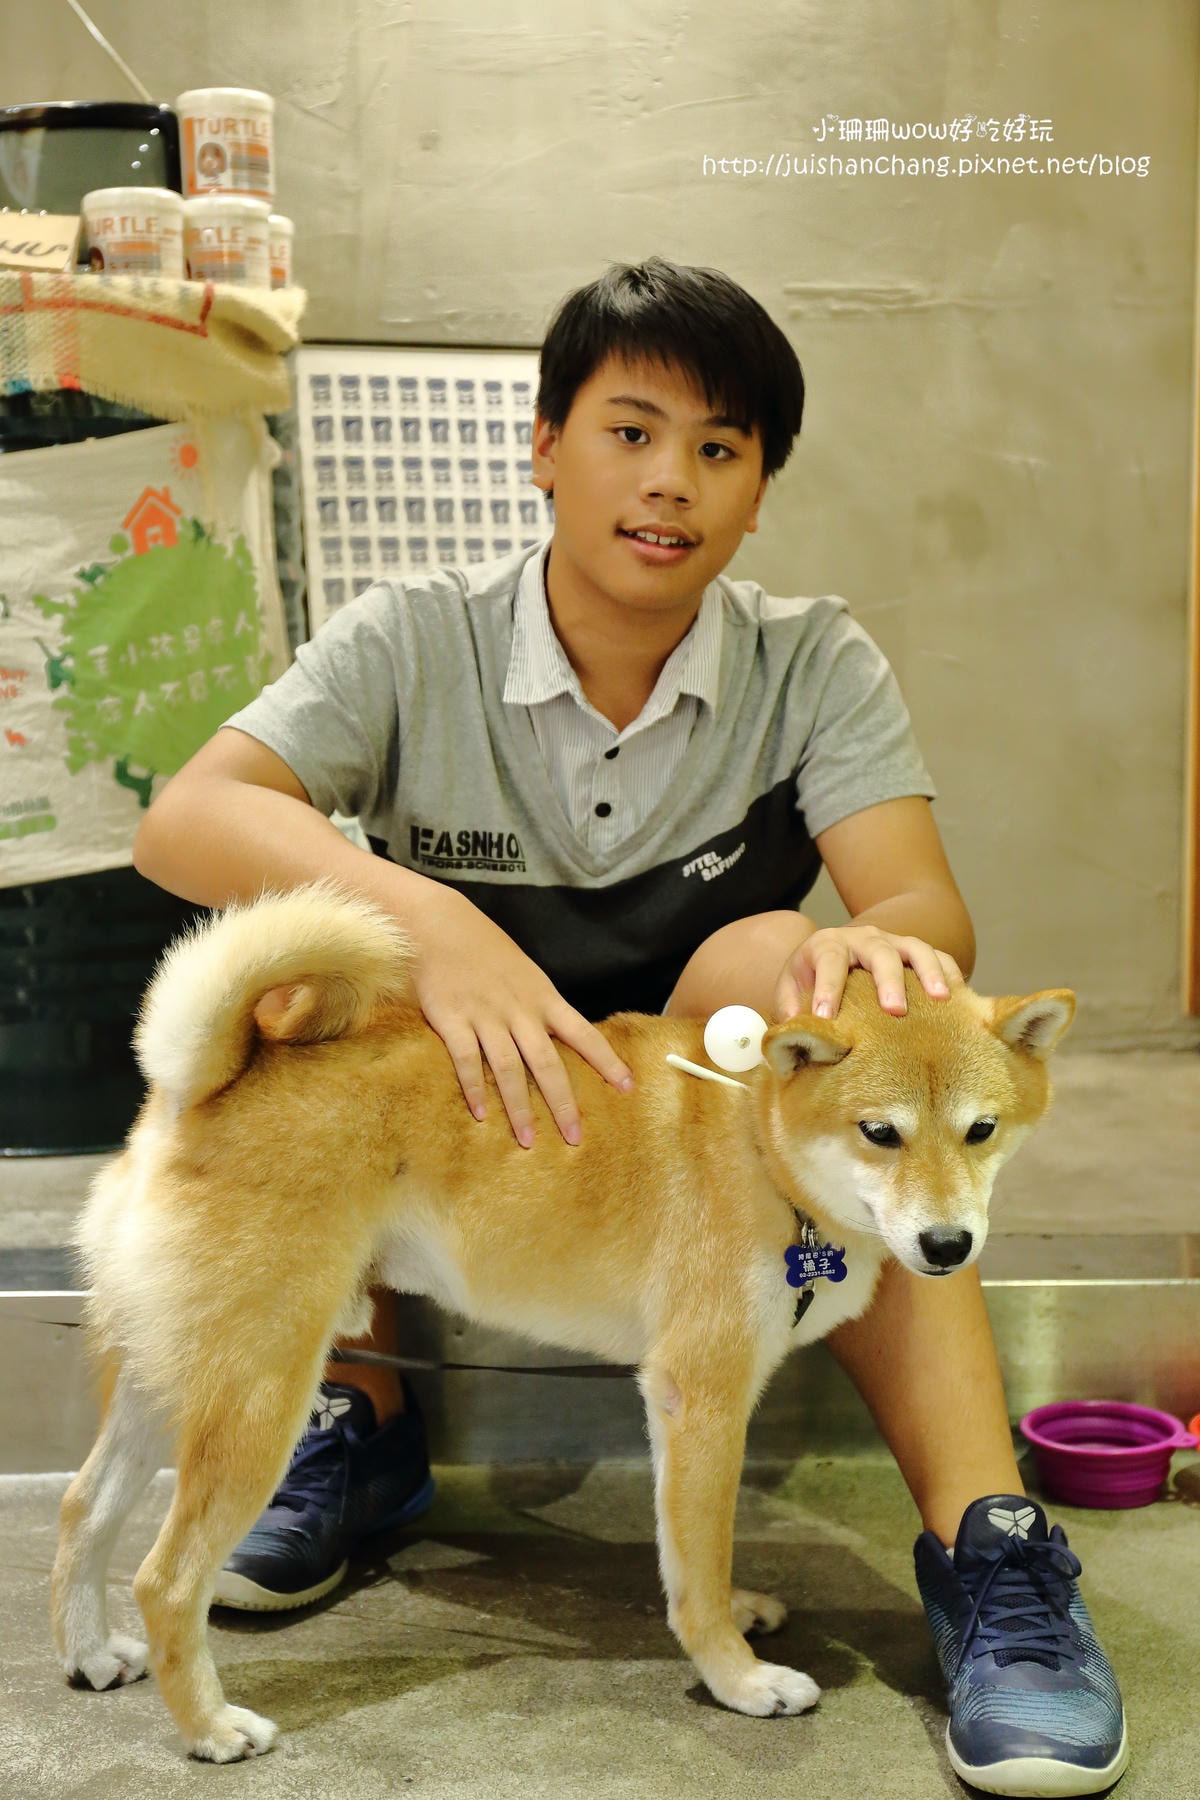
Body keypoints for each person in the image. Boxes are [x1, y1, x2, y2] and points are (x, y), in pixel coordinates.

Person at [132, 258, 1127, 1797]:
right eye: (632, 431)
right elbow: (186, 821)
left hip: (697, 1098)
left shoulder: (813, 657)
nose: (671, 481)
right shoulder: (417, 636)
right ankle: (351, 1418)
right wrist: (435, 927)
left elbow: (926, 909)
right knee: (315, 996)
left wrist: (871, 949)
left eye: (721, 449)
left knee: (798, 968)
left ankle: (988, 1540)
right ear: (545, 445)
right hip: (466, 1096)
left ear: (760, 490)